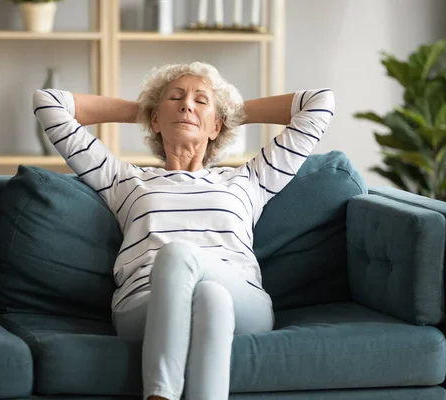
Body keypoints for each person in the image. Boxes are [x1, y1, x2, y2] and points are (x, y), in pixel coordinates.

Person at [33, 61, 334, 400]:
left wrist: (229, 111)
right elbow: (48, 103)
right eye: (175, 98)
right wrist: (146, 109)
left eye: (199, 101)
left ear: (216, 126)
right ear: (155, 121)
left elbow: (320, 102)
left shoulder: (247, 180)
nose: (187, 104)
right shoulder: (125, 179)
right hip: (145, 303)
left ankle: (159, 395)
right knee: (209, 296)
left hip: (244, 302)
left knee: (192, 267)